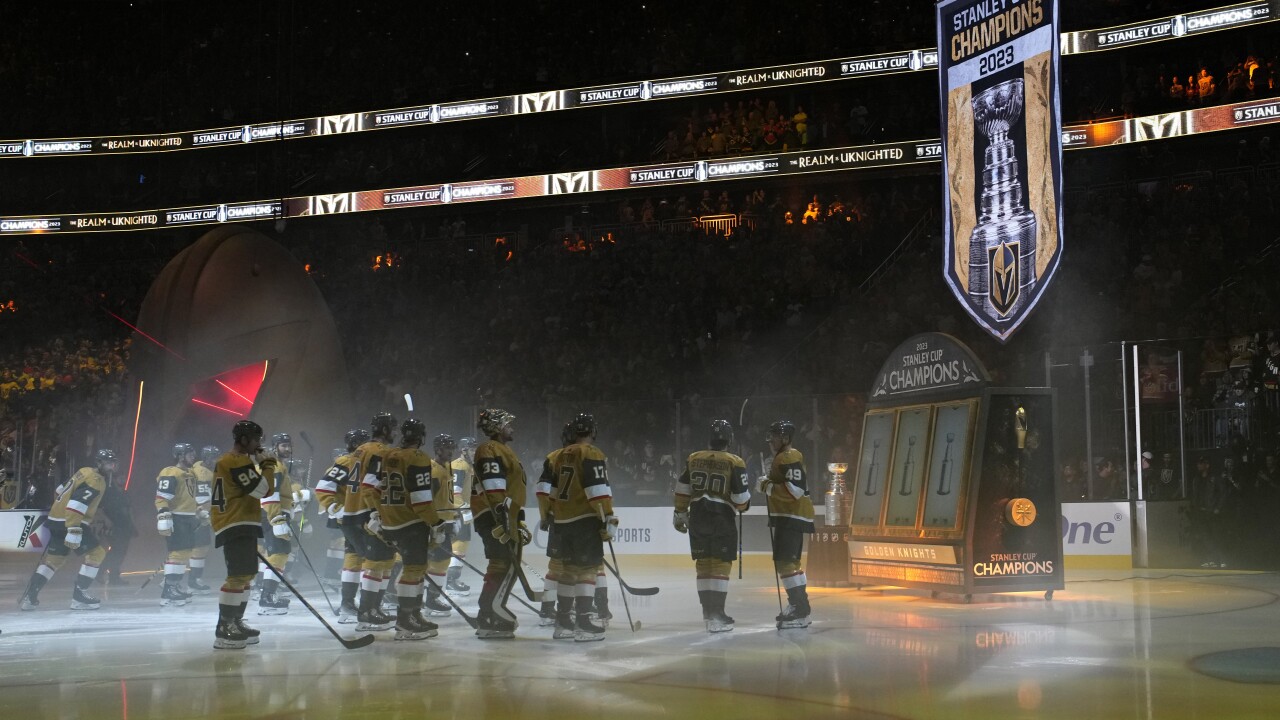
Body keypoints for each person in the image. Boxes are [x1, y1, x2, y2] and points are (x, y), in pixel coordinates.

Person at [674, 419, 750, 632]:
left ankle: (708, 613)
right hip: (721, 518)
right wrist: (744, 505)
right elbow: (741, 500)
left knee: (703, 565)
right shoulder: (735, 462)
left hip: (697, 516)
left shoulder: (694, 458)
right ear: (729, 439)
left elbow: (682, 489)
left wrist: (680, 512)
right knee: (720, 565)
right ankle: (717, 615)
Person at [210, 421, 280, 649]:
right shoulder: (235, 461)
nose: (259, 445)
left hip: (243, 521)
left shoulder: (239, 461)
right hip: (234, 522)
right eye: (256, 440)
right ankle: (225, 626)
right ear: (243, 440)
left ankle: (236, 621)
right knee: (237, 576)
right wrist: (268, 465)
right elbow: (263, 490)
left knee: (247, 574)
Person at [19, 449, 118, 611]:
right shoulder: (96, 480)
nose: (111, 467)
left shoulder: (83, 471)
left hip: (56, 520)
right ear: (99, 463)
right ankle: (80, 596)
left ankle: (30, 596)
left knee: (54, 560)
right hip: (71, 522)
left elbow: (60, 490)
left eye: (113, 464)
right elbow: (76, 505)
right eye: (108, 463)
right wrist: (73, 529)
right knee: (97, 553)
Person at [547, 413, 616, 642]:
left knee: (568, 571)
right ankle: (584, 623)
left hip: (562, 521)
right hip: (584, 519)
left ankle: (563, 622)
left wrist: (553, 515)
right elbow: (597, 490)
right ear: (592, 432)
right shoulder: (592, 452)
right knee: (587, 570)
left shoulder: (559, 456)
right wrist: (607, 517)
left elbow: (553, 492)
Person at [377, 418, 445, 640]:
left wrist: (380, 516)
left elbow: (376, 488)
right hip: (410, 521)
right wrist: (435, 522)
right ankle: (405, 621)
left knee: (416, 568)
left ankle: (414, 615)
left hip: (390, 519)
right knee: (414, 569)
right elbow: (421, 498)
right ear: (421, 437)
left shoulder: (388, 455)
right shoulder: (417, 457)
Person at [470, 408, 529, 639]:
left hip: (502, 513)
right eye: (507, 424)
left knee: (503, 564)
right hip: (495, 514)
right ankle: (491, 613)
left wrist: (515, 518)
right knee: (503, 563)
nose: (511, 427)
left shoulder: (502, 449)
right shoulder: (490, 449)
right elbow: (494, 485)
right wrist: (502, 514)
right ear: (497, 427)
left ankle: (488, 613)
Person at [343, 413, 399, 631]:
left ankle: (374, 609)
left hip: (354, 513)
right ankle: (367, 614)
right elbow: (369, 485)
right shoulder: (379, 451)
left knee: (385, 562)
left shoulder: (361, 450)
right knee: (376, 565)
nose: (396, 433)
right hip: (365, 515)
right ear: (385, 429)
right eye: (393, 428)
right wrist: (376, 514)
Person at [758, 420, 814, 629]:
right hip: (790, 517)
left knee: (787, 564)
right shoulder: (784, 457)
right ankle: (799, 607)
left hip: (792, 517)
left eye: (775, 435)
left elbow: (795, 491)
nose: (770, 439)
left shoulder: (787, 457)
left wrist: (767, 485)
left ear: (785, 438)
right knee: (790, 564)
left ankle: (800, 610)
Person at [315, 428, 369, 623]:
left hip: (361, 518)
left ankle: (349, 604)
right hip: (353, 518)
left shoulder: (365, 462)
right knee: (370, 557)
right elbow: (323, 487)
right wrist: (335, 508)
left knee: (354, 556)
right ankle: (367, 605)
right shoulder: (346, 462)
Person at [535, 423, 576, 626]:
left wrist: (545, 514)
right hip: (577, 521)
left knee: (558, 565)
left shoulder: (553, 457)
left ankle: (549, 608)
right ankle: (563, 608)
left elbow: (542, 490)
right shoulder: (586, 456)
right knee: (575, 566)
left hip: (558, 519)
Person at [256, 432, 298, 615]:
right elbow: (269, 494)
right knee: (278, 553)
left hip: (274, 514)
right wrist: (277, 518)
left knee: (278, 553)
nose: (287, 449)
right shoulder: (274, 465)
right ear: (274, 447)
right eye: (283, 445)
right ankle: (267, 598)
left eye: (289, 445)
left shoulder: (277, 465)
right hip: (272, 515)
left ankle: (267, 594)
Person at [155, 443, 199, 607]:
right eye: (189, 454)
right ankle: (168, 590)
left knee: (185, 553)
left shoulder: (191, 473)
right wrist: (163, 514)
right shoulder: (170, 472)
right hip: (177, 517)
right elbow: (161, 497)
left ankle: (174, 585)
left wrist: (198, 510)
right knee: (178, 553)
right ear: (180, 456)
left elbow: (189, 495)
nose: (193, 457)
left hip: (188, 518)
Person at [424, 433, 461, 617]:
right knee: (434, 561)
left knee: (441, 561)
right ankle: (429, 599)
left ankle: (430, 598)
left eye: (452, 448)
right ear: (438, 449)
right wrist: (434, 523)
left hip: (445, 521)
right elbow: (427, 501)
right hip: (435, 524)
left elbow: (447, 498)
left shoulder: (446, 467)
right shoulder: (434, 471)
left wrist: (454, 515)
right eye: (447, 448)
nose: (451, 452)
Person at [446, 436, 477, 596]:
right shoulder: (460, 465)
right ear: (463, 450)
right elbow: (455, 490)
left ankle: (451, 580)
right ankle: (451, 581)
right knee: (460, 543)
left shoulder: (468, 466)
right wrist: (464, 509)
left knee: (460, 544)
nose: (474, 452)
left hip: (459, 508)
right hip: (457, 509)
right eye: (471, 449)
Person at [187, 445, 219, 594]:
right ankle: (192, 580)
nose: (215, 460)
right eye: (213, 457)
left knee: (203, 545)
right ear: (206, 458)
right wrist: (200, 512)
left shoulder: (212, 472)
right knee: (198, 546)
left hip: (210, 514)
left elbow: (216, 495)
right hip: (200, 515)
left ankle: (194, 579)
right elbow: (198, 497)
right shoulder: (199, 473)